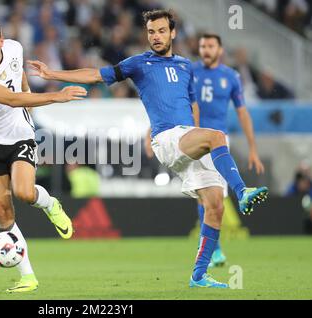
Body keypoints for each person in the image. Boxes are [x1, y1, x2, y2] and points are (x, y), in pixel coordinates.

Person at [28, 9, 269, 288]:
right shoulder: (139, 64)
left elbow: (191, 106)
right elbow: (96, 75)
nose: (155, 36)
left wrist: (197, 135)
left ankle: (199, 276)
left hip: (188, 137)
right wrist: (52, 72)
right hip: (167, 139)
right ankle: (242, 191)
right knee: (217, 136)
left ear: (172, 33)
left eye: (161, 31)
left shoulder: (185, 66)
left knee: (214, 205)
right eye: (151, 32)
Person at [0, 18, 87, 293]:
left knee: (25, 193)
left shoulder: (16, 49)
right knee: (2, 211)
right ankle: (28, 277)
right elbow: (10, 99)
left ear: (1, 41)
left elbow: (19, 81)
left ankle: (50, 204)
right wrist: (56, 96)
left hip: (18, 134)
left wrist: (29, 94)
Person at [146, 34, 265, 268]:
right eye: (202, 46)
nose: (206, 50)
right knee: (207, 197)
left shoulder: (231, 77)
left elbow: (242, 112)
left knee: (213, 198)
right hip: (191, 138)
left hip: (219, 142)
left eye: (210, 46)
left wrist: (253, 148)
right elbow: (170, 102)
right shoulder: (189, 71)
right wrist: (150, 131)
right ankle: (215, 249)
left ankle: (211, 252)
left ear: (220, 49)